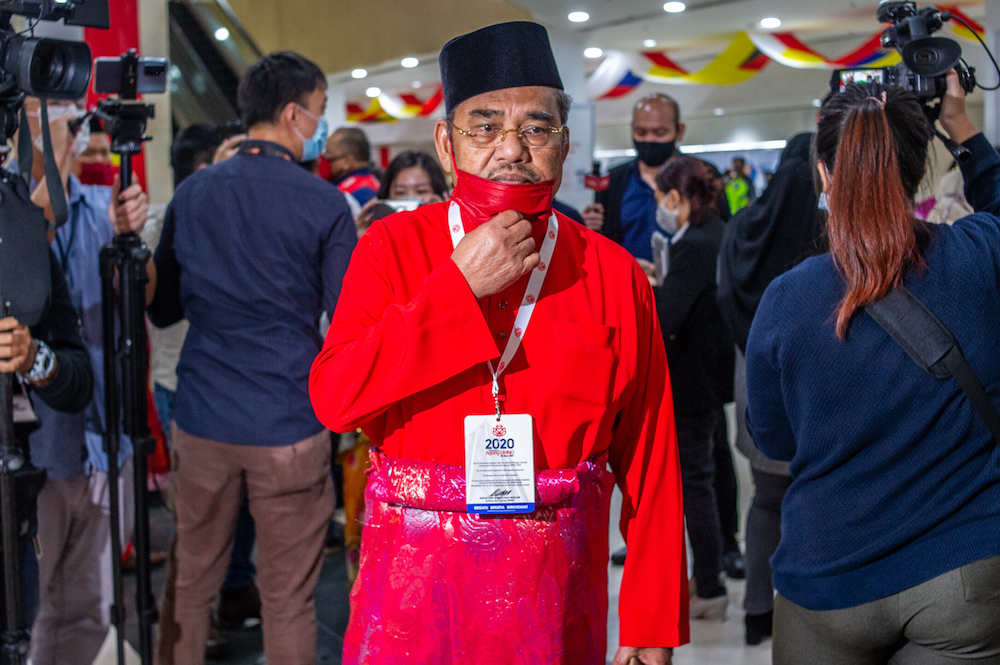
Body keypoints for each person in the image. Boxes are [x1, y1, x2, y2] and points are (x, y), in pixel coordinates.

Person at [310, 21, 687, 665]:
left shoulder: (615, 275)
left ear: (563, 143)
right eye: (484, 126)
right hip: (415, 603)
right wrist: (455, 289)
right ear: (446, 143)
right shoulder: (390, 250)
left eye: (536, 127)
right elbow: (335, 399)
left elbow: (653, 462)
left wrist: (652, 625)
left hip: (557, 600)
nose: (511, 147)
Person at [746, 72, 1000, 663]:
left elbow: (773, 439)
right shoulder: (979, 257)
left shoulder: (787, 299)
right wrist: (959, 124)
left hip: (828, 580)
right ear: (919, 173)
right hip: (962, 573)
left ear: (824, 174)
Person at [149, 51, 356, 665]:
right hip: (288, 420)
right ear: (294, 115)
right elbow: (346, 319)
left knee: (189, 586)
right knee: (288, 598)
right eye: (318, 113)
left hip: (204, 417)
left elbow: (161, 310)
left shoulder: (194, 193)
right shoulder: (323, 205)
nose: (320, 125)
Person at [19, 96, 151, 665]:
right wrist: (37, 216)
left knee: (89, 608)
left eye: (73, 112)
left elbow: (144, 299)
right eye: (46, 112)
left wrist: (134, 243)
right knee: (21, 606)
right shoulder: (12, 214)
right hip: (33, 450)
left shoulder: (104, 207)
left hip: (107, 437)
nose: (68, 123)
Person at [716, 132, 826, 645]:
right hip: (813, 377)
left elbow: (723, 292)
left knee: (764, 501)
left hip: (750, 370)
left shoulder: (743, 226)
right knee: (817, 499)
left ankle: (757, 611)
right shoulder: (824, 227)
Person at [651, 155, 734, 620]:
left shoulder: (695, 245)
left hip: (692, 382)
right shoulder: (712, 234)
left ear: (678, 198)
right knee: (703, 478)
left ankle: (709, 585)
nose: (659, 206)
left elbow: (667, 318)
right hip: (707, 377)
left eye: (663, 197)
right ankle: (708, 577)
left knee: (695, 484)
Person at [354, 149, 449, 235]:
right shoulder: (377, 238)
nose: (410, 198)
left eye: (421, 191)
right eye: (400, 193)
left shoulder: (453, 232)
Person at [324, 126, 380, 207]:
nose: (323, 160)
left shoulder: (356, 194)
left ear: (347, 161)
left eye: (330, 157)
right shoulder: (374, 182)